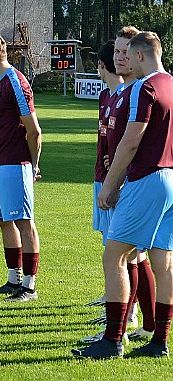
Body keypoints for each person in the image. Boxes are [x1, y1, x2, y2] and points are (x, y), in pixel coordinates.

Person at [72, 31, 173, 359]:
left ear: (141, 55)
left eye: (128, 53)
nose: (124, 59)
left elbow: (131, 141)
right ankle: (159, 342)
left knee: (115, 255)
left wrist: (110, 184)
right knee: (163, 261)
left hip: (146, 178)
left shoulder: (145, 88)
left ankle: (113, 339)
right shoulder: (171, 83)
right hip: (171, 178)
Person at [0, 32, 41, 300]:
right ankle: (13, 278)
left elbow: (34, 130)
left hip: (15, 163)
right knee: (3, 220)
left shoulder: (16, 82)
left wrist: (34, 165)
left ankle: (29, 284)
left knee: (24, 222)